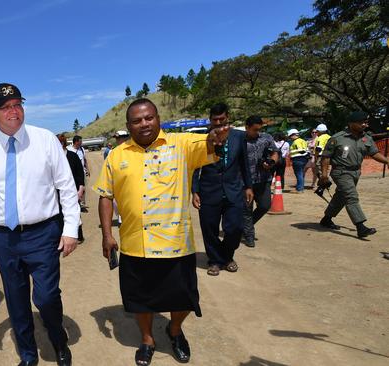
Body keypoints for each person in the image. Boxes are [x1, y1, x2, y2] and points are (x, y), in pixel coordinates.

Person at [94, 98, 229, 366]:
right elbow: (105, 196)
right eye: (136, 120)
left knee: (184, 297)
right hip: (135, 244)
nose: (144, 124)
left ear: (158, 118)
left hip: (175, 244)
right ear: (128, 125)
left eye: (149, 118)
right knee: (140, 301)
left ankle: (175, 330)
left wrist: (215, 137)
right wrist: (107, 234)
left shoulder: (181, 145)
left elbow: (209, 143)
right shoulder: (117, 156)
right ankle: (147, 339)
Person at [0, 83, 79, 366]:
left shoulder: (45, 140)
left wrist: (70, 228)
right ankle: (28, 354)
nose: (14, 111)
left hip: (43, 233)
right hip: (5, 238)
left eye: (17, 105)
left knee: (46, 296)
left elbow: (66, 186)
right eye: (6, 107)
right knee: (16, 299)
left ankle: (57, 337)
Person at [192, 103, 253, 276]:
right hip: (208, 190)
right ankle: (215, 260)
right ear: (210, 120)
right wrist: (194, 190)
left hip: (233, 189)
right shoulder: (201, 138)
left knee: (235, 228)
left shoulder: (239, 136)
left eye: (221, 118)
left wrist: (248, 186)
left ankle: (227, 256)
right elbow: (195, 166)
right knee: (209, 228)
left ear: (228, 117)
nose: (218, 122)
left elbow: (244, 163)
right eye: (214, 119)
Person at [318, 111, 389, 238]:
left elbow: (374, 153)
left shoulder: (366, 138)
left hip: (356, 172)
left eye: (365, 122)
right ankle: (361, 227)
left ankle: (326, 219)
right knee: (351, 196)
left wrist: (387, 161)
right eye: (361, 122)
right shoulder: (337, 138)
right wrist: (324, 175)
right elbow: (326, 158)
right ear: (351, 124)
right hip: (341, 172)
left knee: (341, 197)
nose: (364, 125)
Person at [242, 116, 279, 247]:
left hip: (264, 179)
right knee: (246, 210)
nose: (257, 132)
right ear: (246, 127)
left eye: (259, 129)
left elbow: (275, 152)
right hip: (245, 181)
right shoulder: (239, 139)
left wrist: (271, 162)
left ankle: (244, 227)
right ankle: (249, 235)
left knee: (264, 206)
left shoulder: (266, 137)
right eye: (254, 129)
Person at [58, 133, 86, 242]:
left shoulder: (72, 156)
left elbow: (80, 174)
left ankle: (79, 235)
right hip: (58, 192)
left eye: (60, 143)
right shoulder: (54, 157)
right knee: (60, 215)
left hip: (73, 190)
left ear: (63, 143)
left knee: (74, 212)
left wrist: (81, 188)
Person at [67, 135, 89, 211]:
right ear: (76, 142)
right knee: (74, 188)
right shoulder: (69, 149)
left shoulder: (82, 149)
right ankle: (75, 203)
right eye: (80, 141)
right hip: (72, 174)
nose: (81, 143)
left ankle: (82, 204)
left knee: (82, 188)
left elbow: (85, 160)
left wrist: (87, 169)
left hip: (81, 173)